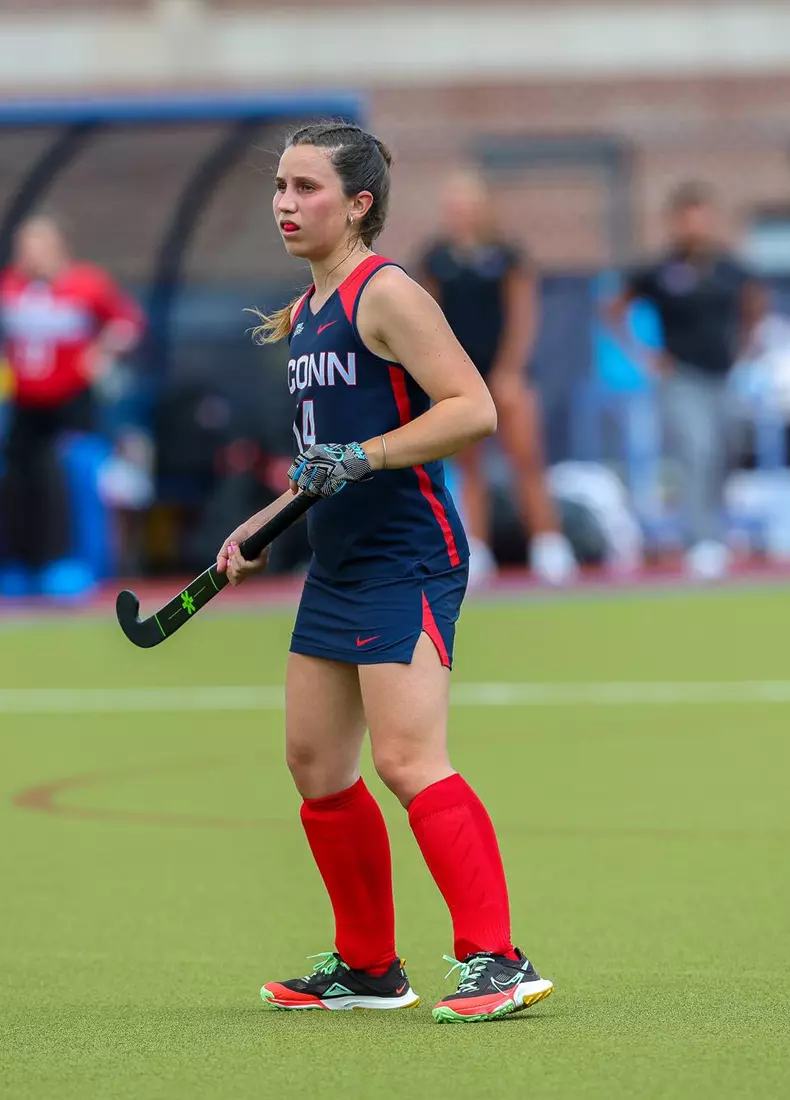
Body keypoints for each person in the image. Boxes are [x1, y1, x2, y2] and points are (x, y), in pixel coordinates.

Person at [223, 122, 554, 1023]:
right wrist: (262, 523)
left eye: (307, 189)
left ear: (359, 203)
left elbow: (473, 409)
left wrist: (364, 456)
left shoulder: (387, 293)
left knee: (409, 760)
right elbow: (319, 459)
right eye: (281, 188)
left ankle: (499, 959)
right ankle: (369, 967)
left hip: (409, 554)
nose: (287, 204)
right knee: (316, 765)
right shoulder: (305, 309)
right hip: (336, 561)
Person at [420, 170, 576, 587]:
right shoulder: (436, 258)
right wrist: (449, 379)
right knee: (469, 469)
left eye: (466, 204)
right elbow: (429, 320)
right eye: (452, 206)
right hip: (462, 382)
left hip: (507, 378)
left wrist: (509, 371)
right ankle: (476, 548)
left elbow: (523, 316)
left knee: (526, 460)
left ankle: (549, 545)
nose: (459, 213)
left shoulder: (506, 255)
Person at [606, 182, 766, 580]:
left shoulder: (729, 268)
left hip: (724, 377)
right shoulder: (660, 271)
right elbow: (613, 310)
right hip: (680, 377)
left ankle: (716, 527)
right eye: (687, 218)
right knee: (696, 450)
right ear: (675, 223)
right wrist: (644, 356)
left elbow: (755, 303)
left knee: (728, 449)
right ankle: (701, 541)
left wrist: (746, 348)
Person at [0, 214, 143, 597]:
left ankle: (67, 563)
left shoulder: (87, 285)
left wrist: (102, 351)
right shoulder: (9, 285)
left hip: (70, 402)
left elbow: (128, 323)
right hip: (24, 405)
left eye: (35, 245)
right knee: (16, 479)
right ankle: (21, 564)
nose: (27, 255)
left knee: (61, 476)